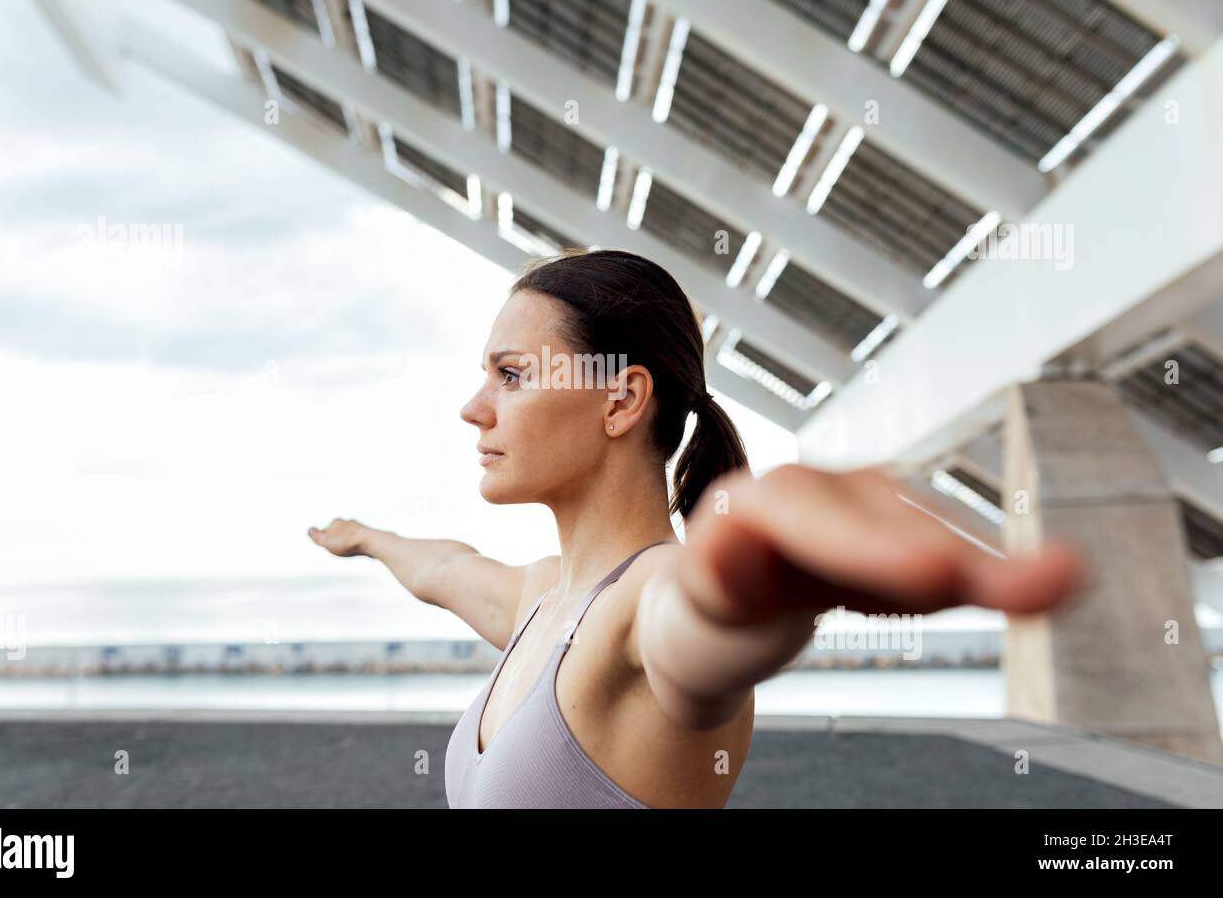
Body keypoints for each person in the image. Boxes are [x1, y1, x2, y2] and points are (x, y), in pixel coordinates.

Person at [308, 248, 1084, 808]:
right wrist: (366, 537)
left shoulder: (644, 604)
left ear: (620, 400)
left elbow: (696, 633)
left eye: (511, 375)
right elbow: (444, 566)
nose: (474, 407)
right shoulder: (541, 599)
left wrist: (753, 579)